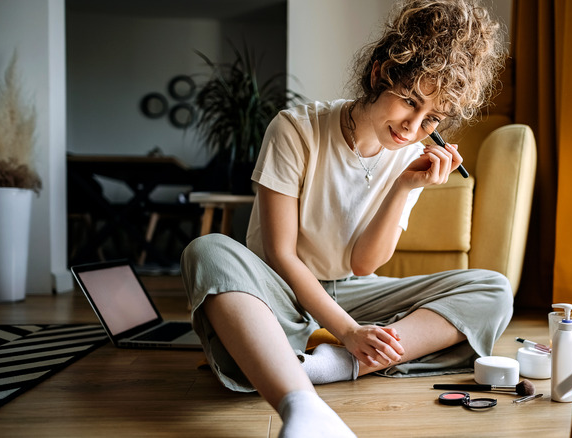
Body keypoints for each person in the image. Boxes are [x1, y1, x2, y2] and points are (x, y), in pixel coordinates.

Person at [181, 1, 510, 436]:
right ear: (379, 75)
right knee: (206, 250)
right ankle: (301, 404)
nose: (412, 128)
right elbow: (280, 254)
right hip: (276, 289)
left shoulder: (409, 155)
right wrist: (349, 329)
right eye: (408, 101)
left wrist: (404, 188)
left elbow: (362, 266)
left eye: (431, 118)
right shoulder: (294, 130)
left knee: (492, 288)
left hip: (351, 289)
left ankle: (326, 365)